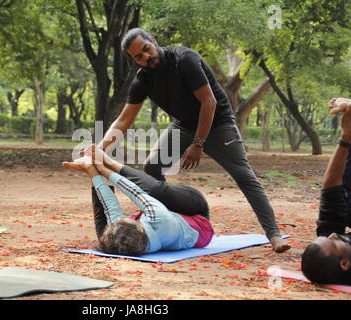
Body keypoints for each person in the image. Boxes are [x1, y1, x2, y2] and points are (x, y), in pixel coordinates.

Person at [93, 27, 289, 253]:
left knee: (244, 176)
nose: (146, 57)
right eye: (138, 56)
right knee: (153, 167)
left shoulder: (184, 59)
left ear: (153, 41)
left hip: (218, 124)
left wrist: (198, 144)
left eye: (146, 49)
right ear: (132, 59)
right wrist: (99, 149)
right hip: (183, 126)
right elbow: (123, 120)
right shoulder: (142, 80)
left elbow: (209, 102)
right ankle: (169, 221)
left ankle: (274, 234)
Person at [63, 145, 214, 256]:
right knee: (154, 192)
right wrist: (104, 169)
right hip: (196, 212)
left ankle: (100, 163)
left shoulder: (128, 242)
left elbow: (110, 207)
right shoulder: (159, 218)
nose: (123, 218)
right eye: (126, 220)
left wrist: (92, 171)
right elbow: (135, 192)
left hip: (169, 222)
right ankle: (109, 162)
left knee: (106, 239)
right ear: (140, 229)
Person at [301, 97, 351, 285]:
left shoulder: (337, 241)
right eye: (334, 243)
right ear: (344, 264)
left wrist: (346, 138)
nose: (333, 235)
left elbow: (331, 189)